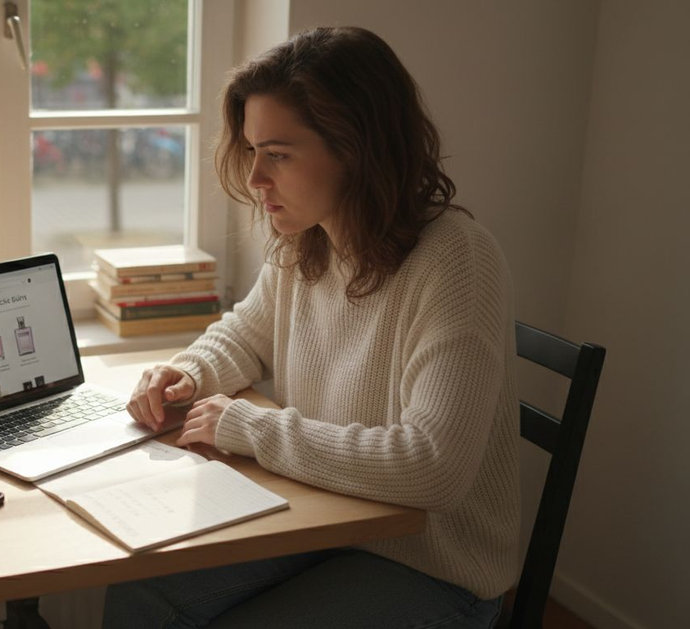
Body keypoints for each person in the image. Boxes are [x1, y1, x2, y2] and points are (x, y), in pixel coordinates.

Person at [103, 26, 520, 628]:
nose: (254, 179)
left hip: (432, 565)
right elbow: (245, 334)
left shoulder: (457, 261)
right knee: (142, 591)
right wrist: (188, 374)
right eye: (251, 151)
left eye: (277, 154)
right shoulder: (308, 241)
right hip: (328, 518)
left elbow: (433, 465)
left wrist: (253, 427)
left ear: (357, 148)